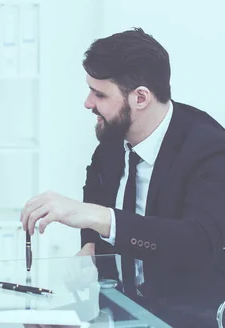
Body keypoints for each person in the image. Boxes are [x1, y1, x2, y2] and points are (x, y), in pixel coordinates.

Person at [20, 28, 225, 303]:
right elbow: (94, 218)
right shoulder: (111, 145)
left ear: (140, 98)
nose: (87, 103)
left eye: (100, 95)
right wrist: (89, 250)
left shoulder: (210, 148)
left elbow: (197, 242)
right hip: (116, 310)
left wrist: (100, 217)